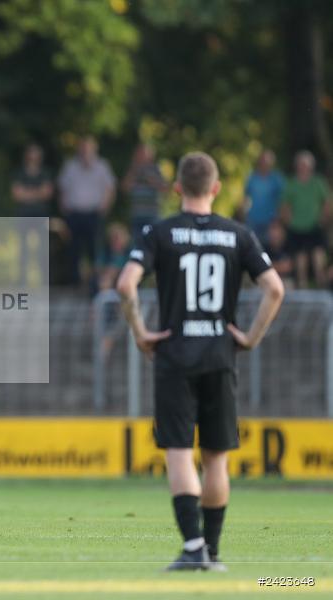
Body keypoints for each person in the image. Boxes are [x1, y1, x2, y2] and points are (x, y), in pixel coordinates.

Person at [116, 152, 284, 571]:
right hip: (219, 356)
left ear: (176, 190)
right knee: (216, 458)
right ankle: (212, 551)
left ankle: (193, 548)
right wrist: (249, 337)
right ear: (215, 188)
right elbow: (275, 290)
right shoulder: (238, 234)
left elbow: (125, 285)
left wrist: (140, 332)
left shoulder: (160, 232)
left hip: (174, 356)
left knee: (178, 452)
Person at [58, 136, 116, 286]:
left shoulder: (102, 166)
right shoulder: (70, 166)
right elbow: (62, 189)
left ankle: (95, 283)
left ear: (94, 149)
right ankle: (73, 282)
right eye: (83, 148)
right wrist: (65, 209)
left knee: (94, 250)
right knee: (73, 250)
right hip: (74, 214)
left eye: (88, 148)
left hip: (93, 214)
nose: (85, 151)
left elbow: (110, 189)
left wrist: (103, 209)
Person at [280, 150, 332, 288]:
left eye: (306, 164)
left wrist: (323, 217)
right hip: (297, 226)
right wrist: (288, 220)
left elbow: (327, 201)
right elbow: (285, 205)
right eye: (301, 164)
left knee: (318, 254)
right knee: (300, 256)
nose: (303, 167)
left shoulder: (318, 182)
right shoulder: (292, 183)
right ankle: (302, 285)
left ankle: (321, 284)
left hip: (315, 225)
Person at [12, 143, 53, 287]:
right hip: (24, 216)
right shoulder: (20, 173)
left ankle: (44, 281)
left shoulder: (45, 173)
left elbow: (47, 193)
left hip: (41, 216)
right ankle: (22, 281)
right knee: (24, 249)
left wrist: (27, 193)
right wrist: (37, 193)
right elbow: (17, 194)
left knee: (42, 248)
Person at [241, 150, 285, 247]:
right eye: (263, 161)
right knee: (253, 247)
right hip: (252, 220)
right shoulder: (251, 177)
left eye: (268, 162)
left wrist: (279, 219)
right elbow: (246, 198)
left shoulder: (277, 179)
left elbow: (282, 200)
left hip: (271, 221)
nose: (265, 164)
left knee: (270, 249)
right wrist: (243, 214)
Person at [121, 143, 168, 234]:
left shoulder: (156, 169)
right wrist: (134, 171)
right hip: (136, 214)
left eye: (144, 153)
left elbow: (164, 189)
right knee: (137, 242)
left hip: (153, 214)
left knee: (153, 241)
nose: (141, 156)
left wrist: (150, 179)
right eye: (139, 153)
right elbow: (124, 188)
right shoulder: (132, 169)